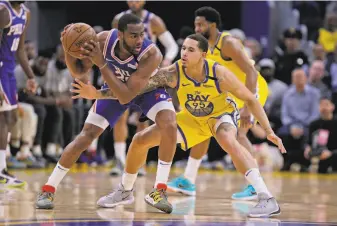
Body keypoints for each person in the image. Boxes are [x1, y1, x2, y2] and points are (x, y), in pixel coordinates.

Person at [72, 34, 285, 217]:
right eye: (183, 48)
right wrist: (98, 94)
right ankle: (125, 191)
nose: (184, 52)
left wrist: (268, 131)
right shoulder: (174, 72)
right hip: (192, 119)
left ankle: (266, 198)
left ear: (203, 55)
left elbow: (250, 99)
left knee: (228, 139)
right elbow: (135, 88)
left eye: (190, 50)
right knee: (139, 141)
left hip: (220, 115)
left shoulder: (219, 73)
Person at [35, 14, 177, 211]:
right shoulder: (102, 40)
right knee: (85, 137)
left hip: (147, 90)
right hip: (113, 89)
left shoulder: (152, 54)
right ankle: (48, 189)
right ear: (120, 34)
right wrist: (67, 48)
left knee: (170, 124)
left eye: (141, 35)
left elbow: (127, 96)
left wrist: (101, 66)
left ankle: (159, 190)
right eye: (133, 35)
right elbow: (77, 71)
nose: (139, 40)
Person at [167, 6, 269, 201]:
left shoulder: (228, 43)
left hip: (251, 89)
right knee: (204, 123)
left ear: (212, 25)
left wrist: (247, 107)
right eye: (195, 24)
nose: (196, 28)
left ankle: (254, 185)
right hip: (229, 91)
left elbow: (252, 73)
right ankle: (188, 180)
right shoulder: (203, 47)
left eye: (201, 24)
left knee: (238, 133)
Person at [109, 0, 179, 176]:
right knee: (119, 117)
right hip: (123, 74)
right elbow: (110, 45)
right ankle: (119, 160)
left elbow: (172, 46)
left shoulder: (153, 20)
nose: (134, 2)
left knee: (143, 121)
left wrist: (167, 60)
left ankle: (139, 163)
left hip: (146, 75)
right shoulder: (119, 19)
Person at [0, 0, 36, 187]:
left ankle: (2, 169)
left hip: (9, 71)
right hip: (0, 71)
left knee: (12, 118)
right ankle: (1, 170)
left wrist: (30, 76)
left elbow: (20, 49)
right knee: (5, 118)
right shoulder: (2, 11)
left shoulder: (25, 13)